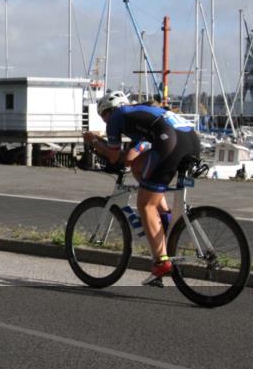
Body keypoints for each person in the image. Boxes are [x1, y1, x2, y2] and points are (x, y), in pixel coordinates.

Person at [83, 90, 200, 286]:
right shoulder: (139, 115)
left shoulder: (116, 117)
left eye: (102, 116)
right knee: (140, 168)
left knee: (145, 205)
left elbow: (113, 157)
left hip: (171, 142)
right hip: (190, 140)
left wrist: (93, 140)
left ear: (108, 112)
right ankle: (165, 223)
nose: (104, 121)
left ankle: (161, 262)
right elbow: (130, 159)